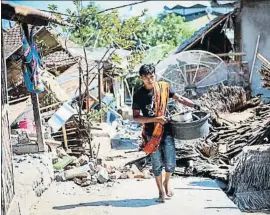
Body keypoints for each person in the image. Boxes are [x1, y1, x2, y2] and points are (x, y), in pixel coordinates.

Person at [132, 64, 200, 203]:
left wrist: (194, 105)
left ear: (155, 76)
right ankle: (160, 192)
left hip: (167, 131)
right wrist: (155, 119)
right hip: (152, 134)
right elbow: (136, 117)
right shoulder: (139, 95)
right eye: (146, 78)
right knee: (156, 164)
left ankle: (167, 182)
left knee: (171, 163)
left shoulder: (164, 88)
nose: (150, 80)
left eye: (152, 77)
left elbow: (180, 98)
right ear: (141, 79)